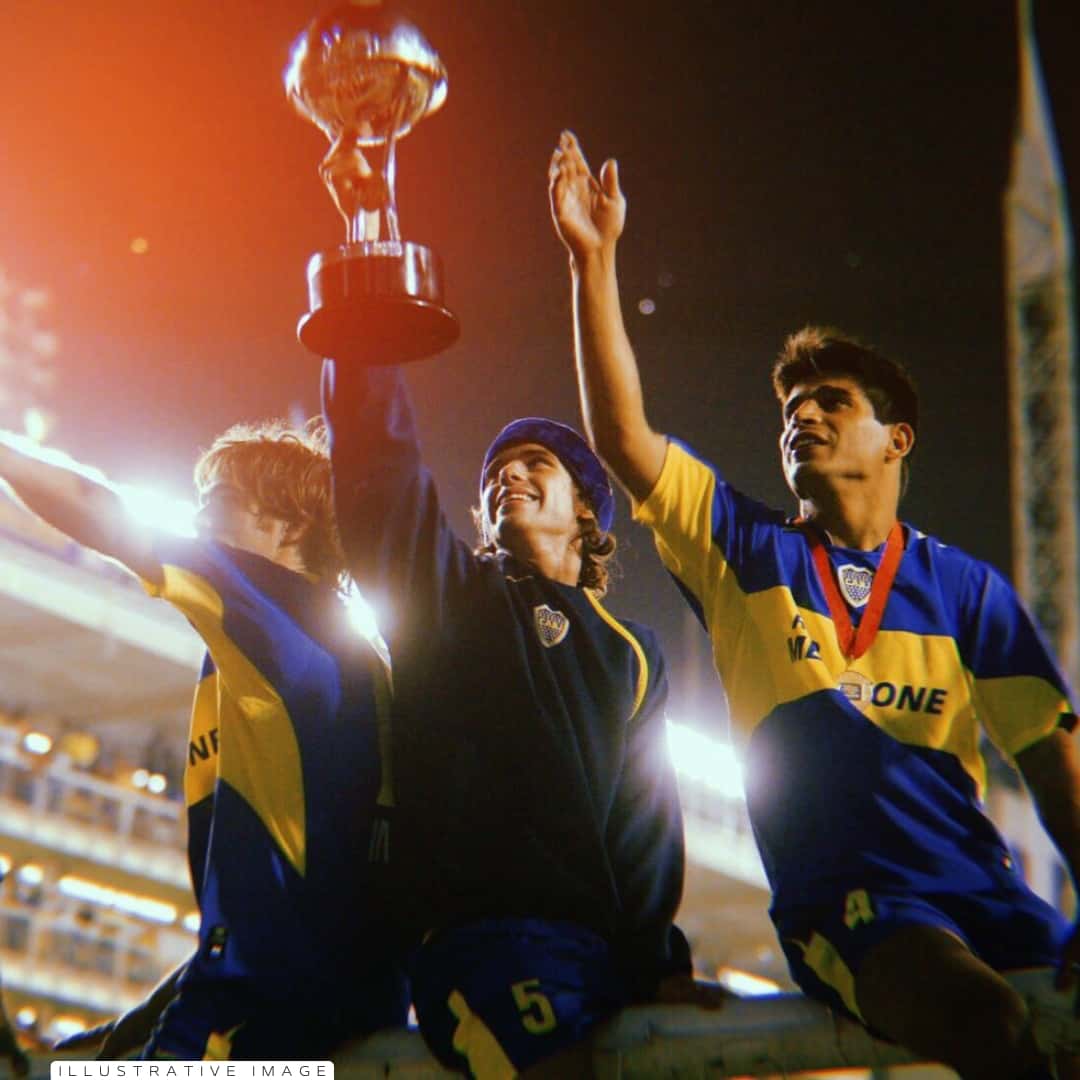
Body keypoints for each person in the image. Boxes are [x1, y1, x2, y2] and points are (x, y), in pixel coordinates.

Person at [549, 129, 1080, 1079]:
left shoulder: (966, 588)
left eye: (832, 401)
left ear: (897, 440)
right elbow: (623, 437)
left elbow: (1052, 757)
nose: (803, 415)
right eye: (791, 409)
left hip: (985, 892)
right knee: (986, 1021)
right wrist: (595, 262)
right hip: (856, 908)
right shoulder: (743, 547)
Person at [322, 362, 721, 1078]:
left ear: (587, 511)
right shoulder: (449, 599)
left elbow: (644, 826)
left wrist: (660, 968)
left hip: (599, 960)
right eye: (494, 473)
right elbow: (385, 483)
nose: (507, 474)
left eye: (536, 463)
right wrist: (365, 346)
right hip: (484, 946)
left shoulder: (633, 651)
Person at [0, 422, 407, 1060]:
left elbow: (97, 508)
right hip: (325, 1004)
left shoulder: (273, 608)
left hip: (268, 1018)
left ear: (289, 528)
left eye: (218, 502)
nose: (196, 521)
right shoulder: (342, 652)